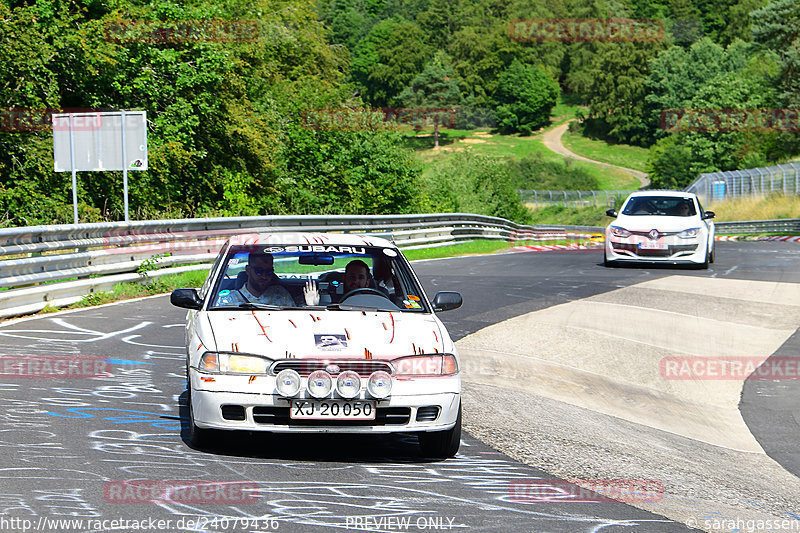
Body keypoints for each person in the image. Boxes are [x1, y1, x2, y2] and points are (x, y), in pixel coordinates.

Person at [217, 252, 295, 307]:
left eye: (269, 272)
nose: (264, 276)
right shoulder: (228, 300)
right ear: (248, 270)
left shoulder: (282, 295)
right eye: (259, 271)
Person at [303, 259, 372, 306]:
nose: (355, 281)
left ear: (367, 283)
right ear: (344, 278)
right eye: (352, 276)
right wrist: (312, 306)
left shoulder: (375, 301)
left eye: (361, 277)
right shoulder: (333, 299)